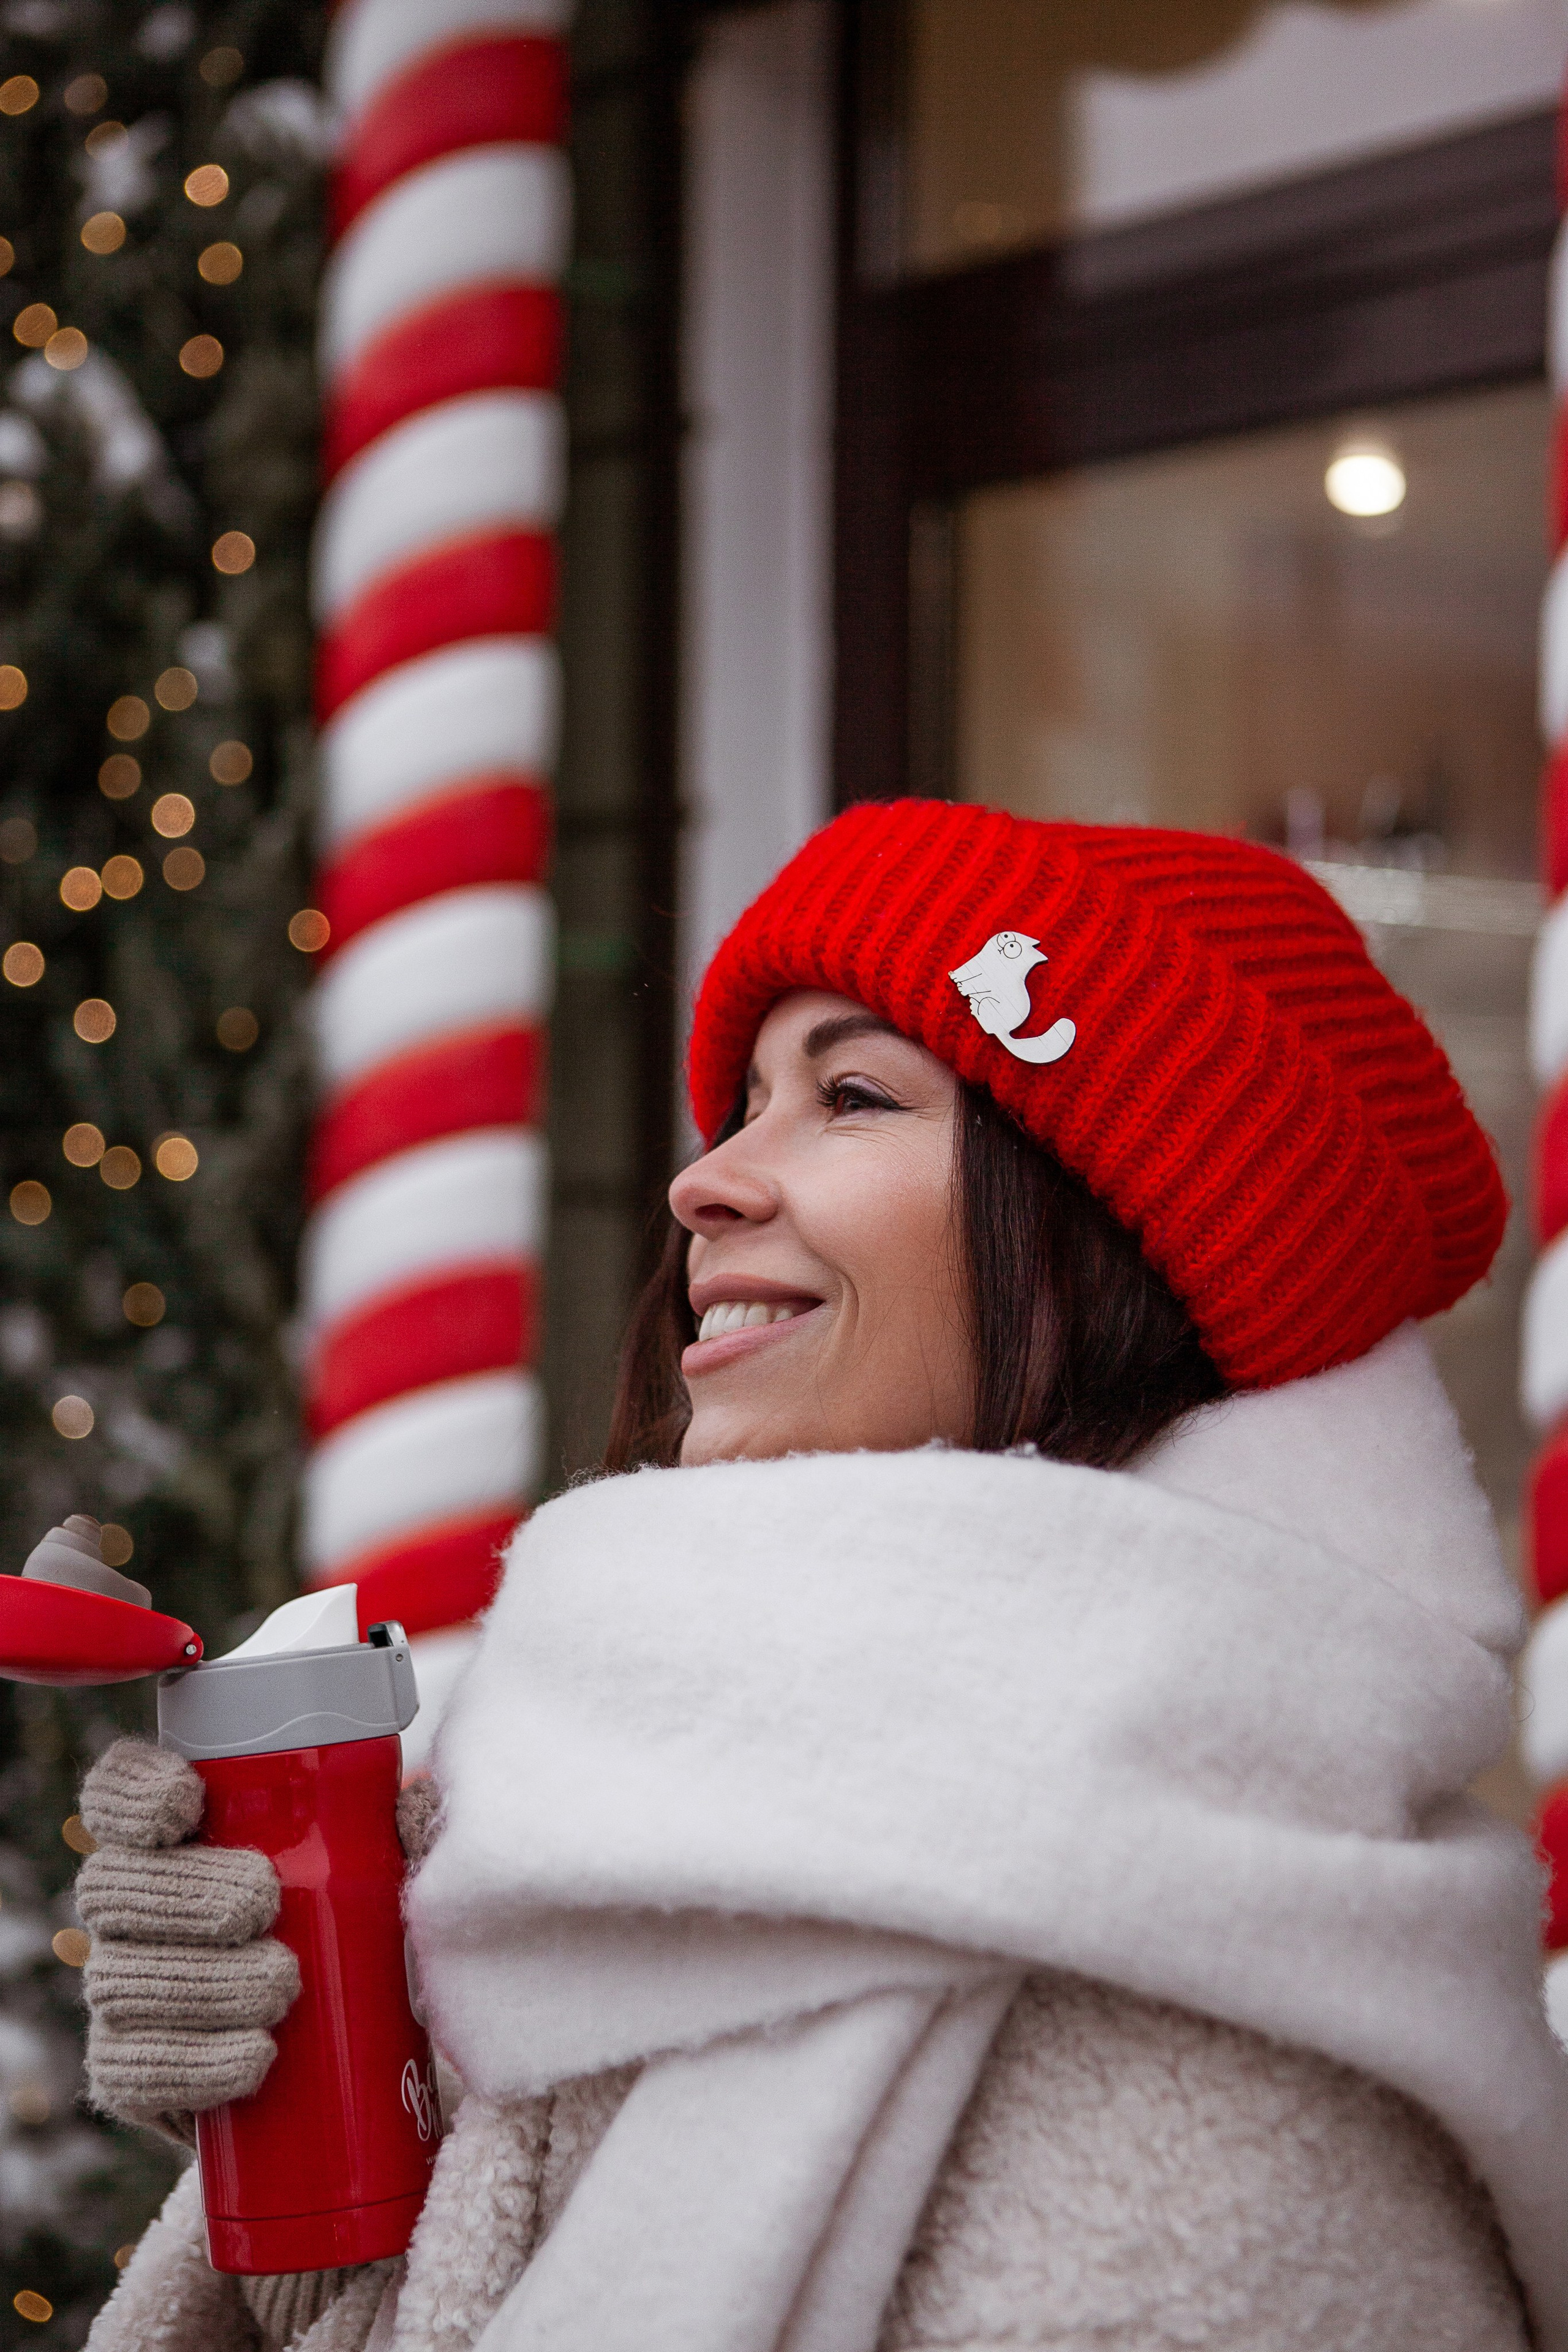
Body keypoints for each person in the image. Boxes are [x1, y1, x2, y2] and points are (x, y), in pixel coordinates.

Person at [78, 802, 1568, 2352]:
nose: (703, 1181)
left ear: (1120, 1240)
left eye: (851, 1094)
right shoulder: (561, 1825)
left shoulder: (1227, 2095)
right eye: (740, 1103)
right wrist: (327, 2200)